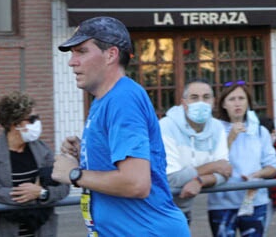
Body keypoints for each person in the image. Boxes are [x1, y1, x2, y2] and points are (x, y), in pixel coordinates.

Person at [51, 16, 189, 237]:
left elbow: (136, 183)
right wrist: (87, 153)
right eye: (72, 53)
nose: (72, 61)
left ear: (111, 55)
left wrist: (74, 174)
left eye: (81, 51)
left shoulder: (122, 98)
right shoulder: (104, 100)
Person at [0, 93, 69, 237]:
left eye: (38, 118)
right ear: (14, 123)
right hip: (1, 230)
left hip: (40, 230)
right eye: (32, 119)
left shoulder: (43, 150)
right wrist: (29, 196)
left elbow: (64, 186)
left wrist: (42, 193)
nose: (37, 123)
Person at [207, 81, 276, 237]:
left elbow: (272, 166)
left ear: (248, 103)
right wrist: (231, 137)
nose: (237, 103)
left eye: (241, 98)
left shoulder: (260, 131)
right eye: (232, 99)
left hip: (255, 202)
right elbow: (210, 163)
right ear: (224, 104)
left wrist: (257, 175)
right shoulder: (214, 130)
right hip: (222, 203)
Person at [158, 79, 232, 223]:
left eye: (206, 97)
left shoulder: (217, 128)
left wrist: (199, 180)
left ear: (213, 102)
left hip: (184, 210)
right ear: (184, 103)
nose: (200, 102)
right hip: (158, 210)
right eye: (194, 97)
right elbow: (171, 179)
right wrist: (213, 166)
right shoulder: (166, 127)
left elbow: (225, 173)